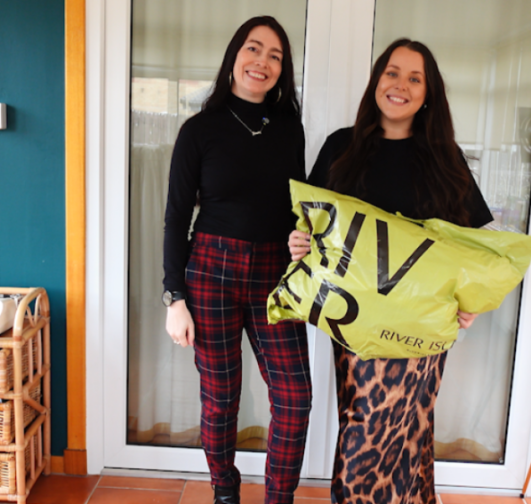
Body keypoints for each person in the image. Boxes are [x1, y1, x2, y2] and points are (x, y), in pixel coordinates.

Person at [289, 39, 493, 504]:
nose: (400, 85)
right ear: (377, 80)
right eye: (392, 73)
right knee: (367, 424)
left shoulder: (444, 158)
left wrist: (471, 303)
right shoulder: (342, 147)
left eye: (414, 78)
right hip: (355, 319)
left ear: (428, 94)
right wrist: (298, 243)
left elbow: (472, 244)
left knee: (410, 425)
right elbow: (312, 224)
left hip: (423, 321)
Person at [163, 16, 312, 504]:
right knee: (221, 399)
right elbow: (176, 218)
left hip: (275, 274)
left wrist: (301, 239)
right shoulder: (198, 130)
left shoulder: (289, 130)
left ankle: (278, 499)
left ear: (283, 70)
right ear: (234, 57)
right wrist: (174, 297)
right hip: (210, 271)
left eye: (275, 56)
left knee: (295, 398)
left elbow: (297, 211)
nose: (262, 62)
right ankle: (225, 492)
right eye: (254, 48)